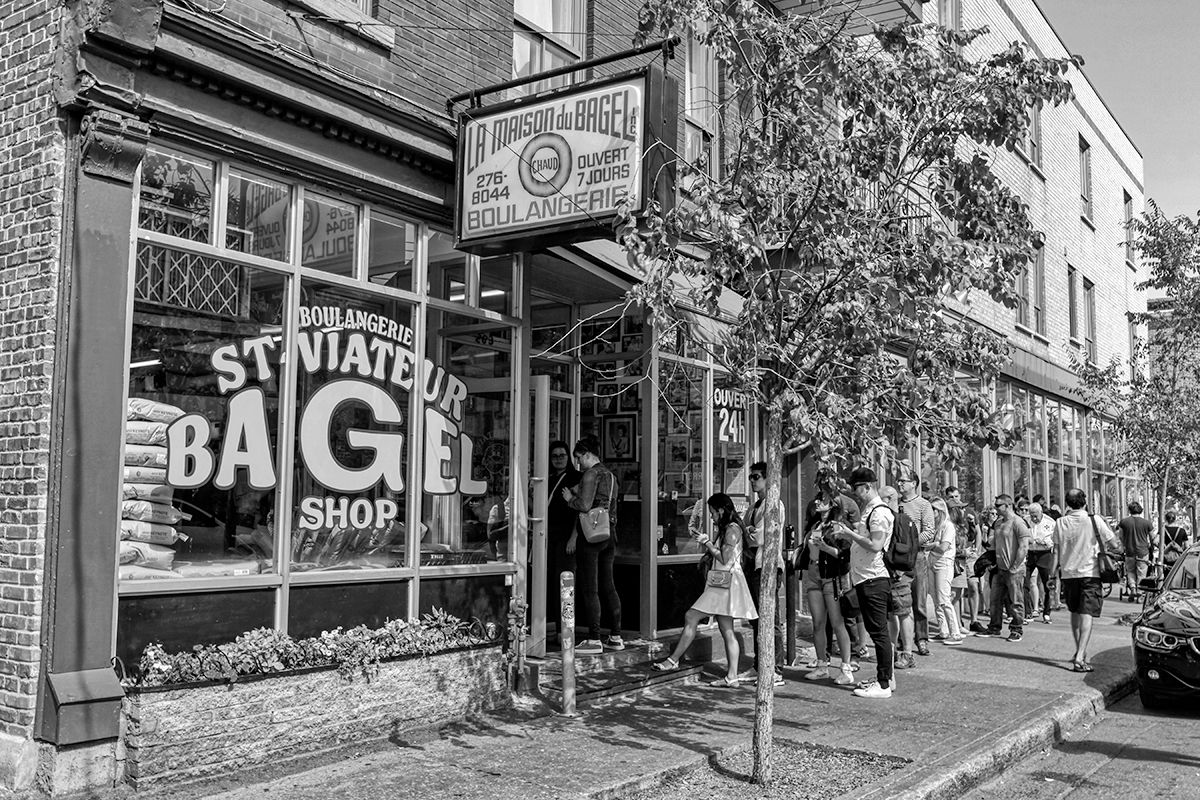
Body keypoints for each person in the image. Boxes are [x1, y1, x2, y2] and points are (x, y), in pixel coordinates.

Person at [652, 493, 758, 686]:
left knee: (692, 616)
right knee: (726, 629)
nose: (711, 517)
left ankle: (673, 660)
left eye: (712, 512)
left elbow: (725, 558)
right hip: (726, 583)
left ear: (720, 510)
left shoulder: (731, 529)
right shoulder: (731, 527)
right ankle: (731, 676)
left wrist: (707, 542)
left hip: (725, 584)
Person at [834, 466, 895, 699]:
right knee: (876, 630)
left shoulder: (878, 513)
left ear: (867, 486)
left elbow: (876, 544)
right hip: (866, 578)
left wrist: (850, 535)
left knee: (878, 632)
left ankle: (883, 684)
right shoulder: (870, 510)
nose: (854, 492)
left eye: (857, 488)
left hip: (874, 578)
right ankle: (884, 678)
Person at [562, 436, 622, 654]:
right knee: (609, 585)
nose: (578, 463)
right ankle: (616, 635)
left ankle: (594, 638)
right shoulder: (610, 476)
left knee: (590, 587)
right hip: (609, 532)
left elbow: (585, 505)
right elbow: (606, 502)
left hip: (591, 535)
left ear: (587, 453)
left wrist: (570, 498)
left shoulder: (591, 473)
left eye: (579, 458)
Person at [1052, 488, 1122, 671]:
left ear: (1067, 503)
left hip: (1068, 574)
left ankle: (1079, 651)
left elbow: (1056, 551)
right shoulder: (1094, 519)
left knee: (1075, 612)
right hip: (1090, 573)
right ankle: (1080, 657)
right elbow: (1114, 544)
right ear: (1085, 502)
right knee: (1087, 613)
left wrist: (1052, 574)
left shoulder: (1060, 522)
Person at [800, 481, 859, 685]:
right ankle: (821, 664)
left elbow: (845, 554)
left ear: (832, 504)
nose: (818, 502)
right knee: (817, 623)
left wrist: (826, 548)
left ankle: (846, 667)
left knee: (837, 622)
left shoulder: (838, 527)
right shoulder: (815, 525)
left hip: (831, 577)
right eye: (818, 499)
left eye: (823, 500)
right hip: (814, 574)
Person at [742, 462, 785, 686]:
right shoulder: (754, 507)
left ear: (769, 479)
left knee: (770, 618)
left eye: (756, 476)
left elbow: (759, 538)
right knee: (757, 619)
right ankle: (760, 665)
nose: (752, 481)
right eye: (750, 477)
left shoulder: (774, 504)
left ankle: (775, 668)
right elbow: (745, 532)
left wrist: (749, 531)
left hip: (767, 566)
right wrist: (748, 530)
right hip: (753, 566)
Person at [977, 494, 1029, 642]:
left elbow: (1024, 546)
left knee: (1016, 600)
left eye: (998, 505)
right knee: (995, 600)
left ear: (1008, 505)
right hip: (999, 568)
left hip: (1015, 569)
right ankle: (994, 627)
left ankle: (1016, 629)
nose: (996, 508)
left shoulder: (1018, 522)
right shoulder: (999, 523)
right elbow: (993, 544)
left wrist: (1015, 566)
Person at [898, 464, 936, 658]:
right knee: (898, 599)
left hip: (917, 556)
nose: (899, 484)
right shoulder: (894, 503)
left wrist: (911, 543)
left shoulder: (923, 505)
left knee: (919, 599)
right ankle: (900, 640)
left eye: (903, 481)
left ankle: (921, 639)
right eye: (899, 481)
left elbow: (930, 531)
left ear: (913, 483)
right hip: (897, 558)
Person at [546, 440, 581, 638]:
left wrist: (574, 538)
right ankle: (554, 628)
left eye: (562, 455)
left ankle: (566, 630)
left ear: (569, 457)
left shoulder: (577, 478)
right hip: (549, 536)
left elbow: (581, 511)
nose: (558, 459)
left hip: (567, 537)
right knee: (551, 582)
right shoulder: (548, 479)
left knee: (566, 584)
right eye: (554, 456)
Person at [880, 484, 917, 670]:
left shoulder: (900, 521)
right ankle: (893, 651)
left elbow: (906, 550)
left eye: (881, 499)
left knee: (903, 612)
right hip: (887, 573)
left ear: (889, 499)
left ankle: (908, 653)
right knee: (891, 615)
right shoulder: (892, 519)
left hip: (898, 574)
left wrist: (899, 571)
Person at [928, 497, 963, 644]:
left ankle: (955, 633)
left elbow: (943, 547)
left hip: (944, 563)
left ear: (940, 510)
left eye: (933, 509)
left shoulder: (948, 526)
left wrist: (932, 544)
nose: (931, 512)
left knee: (944, 599)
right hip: (933, 562)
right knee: (936, 599)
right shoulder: (936, 525)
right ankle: (943, 630)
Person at [1024, 502, 1056, 624]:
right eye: (1031, 515)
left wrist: (1045, 542)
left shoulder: (1050, 522)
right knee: (1024, 582)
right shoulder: (1025, 520)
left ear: (1041, 513)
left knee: (1047, 583)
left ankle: (1047, 612)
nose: (1033, 518)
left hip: (1044, 554)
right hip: (1030, 554)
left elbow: (1055, 540)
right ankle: (1028, 611)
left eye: (1035, 515)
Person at [1117, 501, 1154, 602]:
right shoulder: (1147, 523)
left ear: (1130, 510)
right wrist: (1153, 547)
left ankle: (1132, 588)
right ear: (1140, 510)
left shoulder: (1124, 522)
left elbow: (1120, 536)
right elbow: (1152, 537)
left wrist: (1124, 544)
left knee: (1130, 571)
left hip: (1129, 551)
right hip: (1143, 552)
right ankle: (1140, 593)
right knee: (1142, 573)